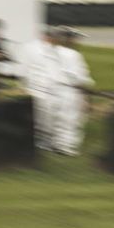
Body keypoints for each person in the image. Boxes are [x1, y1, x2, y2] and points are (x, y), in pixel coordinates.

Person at [52, 27, 94, 155]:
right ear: (68, 39)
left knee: (59, 117)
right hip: (70, 90)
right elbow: (79, 76)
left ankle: (57, 143)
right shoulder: (74, 55)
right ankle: (67, 147)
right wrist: (88, 86)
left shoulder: (54, 51)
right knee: (71, 119)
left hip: (56, 89)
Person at [23, 28, 64, 153]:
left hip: (51, 90)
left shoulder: (53, 50)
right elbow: (26, 69)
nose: (54, 40)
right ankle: (39, 142)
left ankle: (47, 142)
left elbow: (55, 70)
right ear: (46, 37)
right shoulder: (32, 48)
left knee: (50, 118)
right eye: (52, 38)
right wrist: (29, 86)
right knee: (39, 118)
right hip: (38, 89)